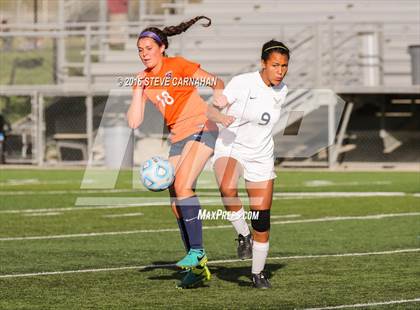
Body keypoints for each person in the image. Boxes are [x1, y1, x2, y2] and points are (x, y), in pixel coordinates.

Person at [126, 16, 233, 289]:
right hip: (178, 136)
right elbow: (134, 121)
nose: (144, 54)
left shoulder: (178, 65)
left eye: (148, 48)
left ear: (162, 48)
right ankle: (197, 267)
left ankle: (197, 251)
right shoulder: (144, 80)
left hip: (202, 126)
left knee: (184, 186)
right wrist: (138, 89)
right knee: (175, 202)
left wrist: (218, 99)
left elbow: (215, 81)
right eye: (140, 50)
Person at [211, 40, 290, 289]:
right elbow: (213, 107)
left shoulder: (283, 90)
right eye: (275, 65)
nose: (280, 70)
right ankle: (243, 234)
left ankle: (258, 273)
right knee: (227, 187)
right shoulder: (242, 82)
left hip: (261, 155)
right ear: (263, 64)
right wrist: (220, 112)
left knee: (262, 218)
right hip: (231, 146)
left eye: (284, 66)